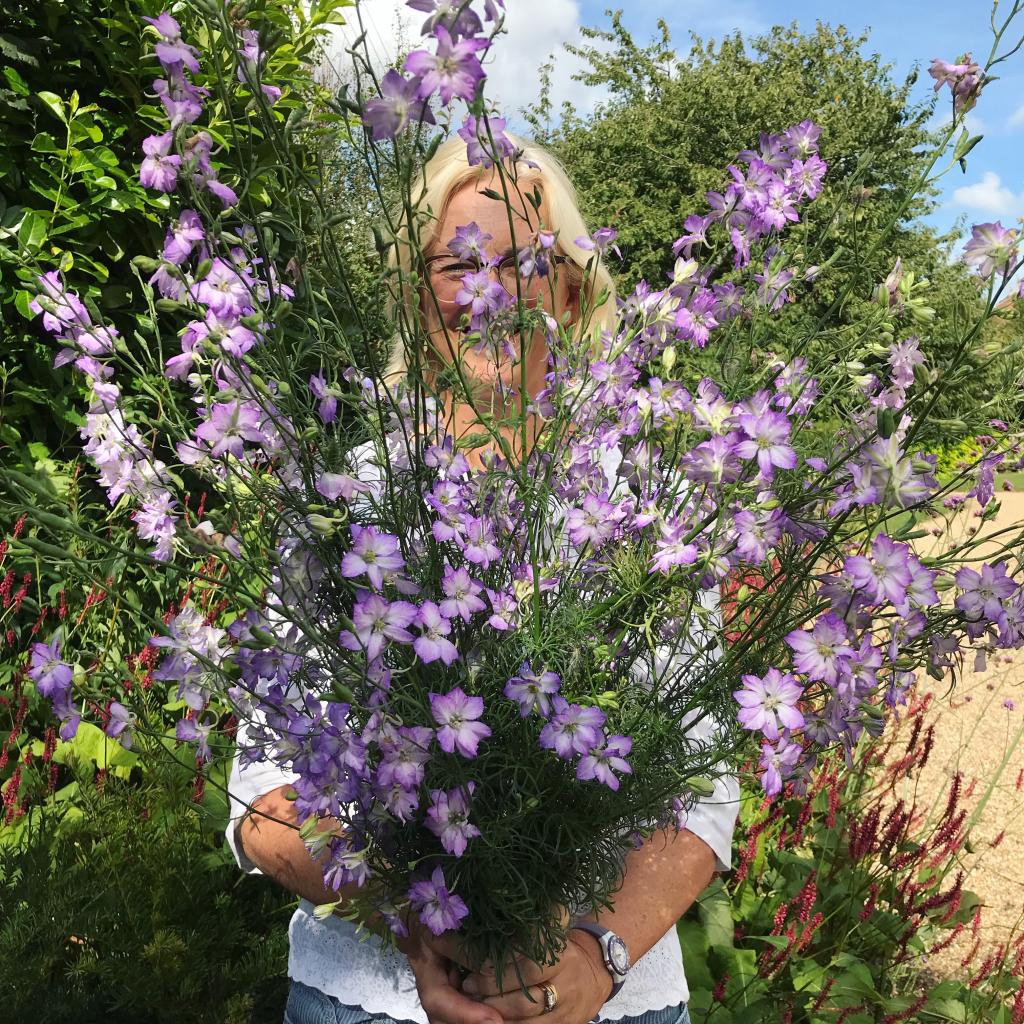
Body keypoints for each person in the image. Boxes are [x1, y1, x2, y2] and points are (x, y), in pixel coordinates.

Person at [226, 134, 739, 1024]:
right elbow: (260, 801)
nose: (488, 289)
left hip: (610, 1005)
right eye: (455, 263)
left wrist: (589, 959)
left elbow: (704, 790)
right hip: (367, 1003)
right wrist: (421, 925)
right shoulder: (349, 498)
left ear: (572, 289)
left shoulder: (648, 506)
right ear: (413, 291)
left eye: (520, 262)